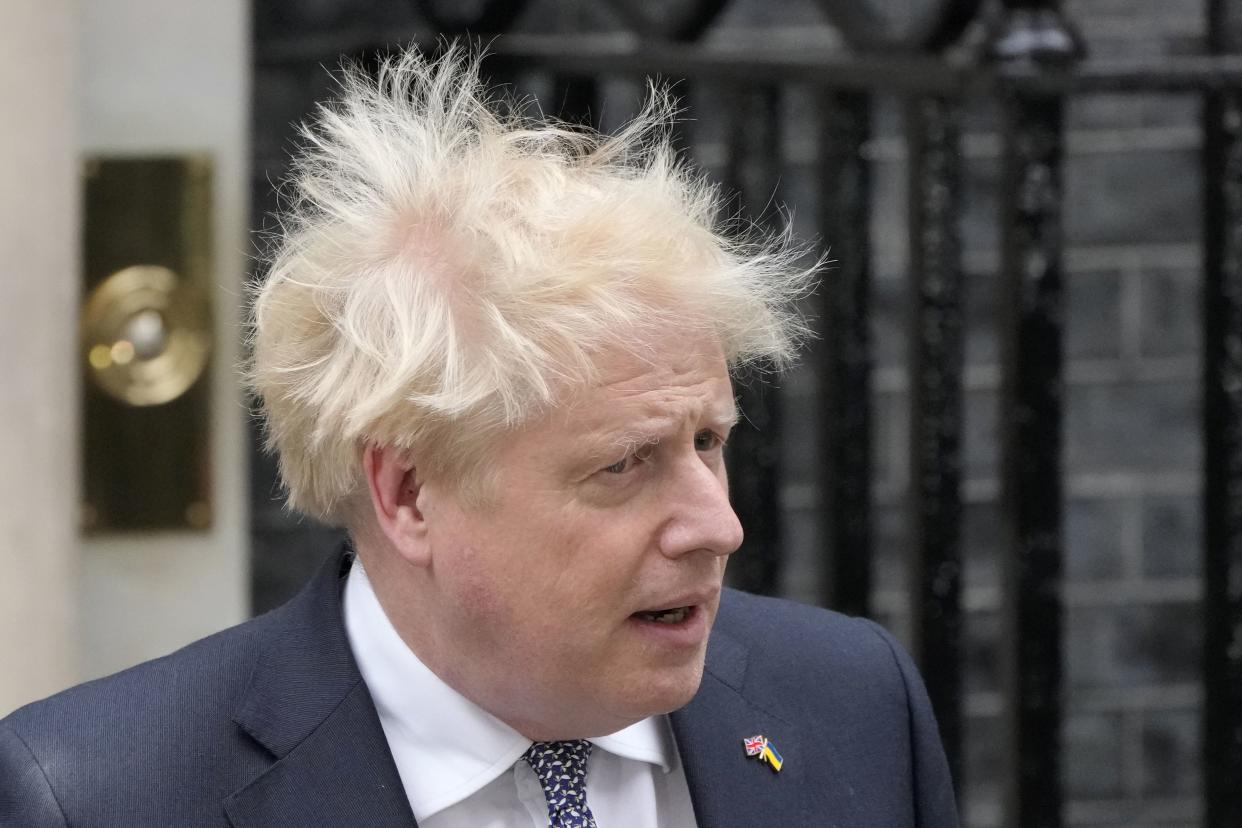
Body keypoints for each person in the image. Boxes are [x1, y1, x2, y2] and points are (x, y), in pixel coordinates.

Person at [0, 46, 958, 827]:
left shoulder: (853, 703)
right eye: (624, 464)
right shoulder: (99, 794)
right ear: (409, 494)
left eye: (708, 441)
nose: (718, 526)